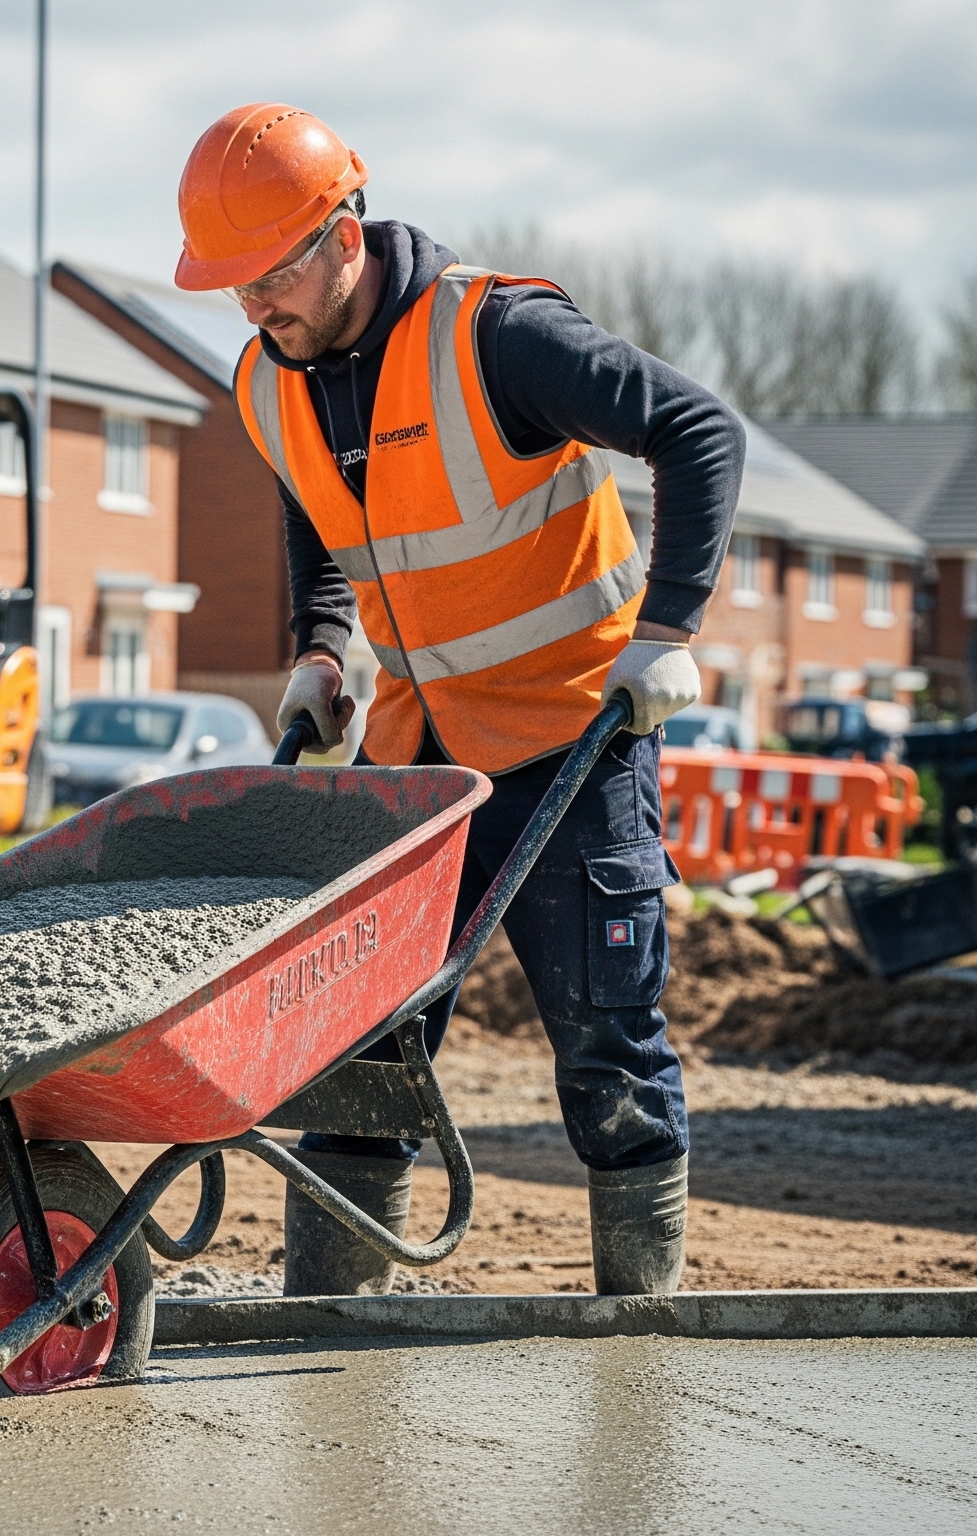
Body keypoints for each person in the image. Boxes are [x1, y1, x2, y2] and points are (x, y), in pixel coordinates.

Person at [173, 103, 741, 1297]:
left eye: (265, 275)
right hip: (413, 758)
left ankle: (638, 1327)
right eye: (229, 287)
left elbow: (697, 429)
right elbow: (313, 509)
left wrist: (669, 628)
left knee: (605, 1044)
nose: (250, 307)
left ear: (341, 232)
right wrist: (321, 647)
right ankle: (326, 1320)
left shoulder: (497, 336)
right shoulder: (266, 378)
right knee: (358, 1046)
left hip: (571, 736)